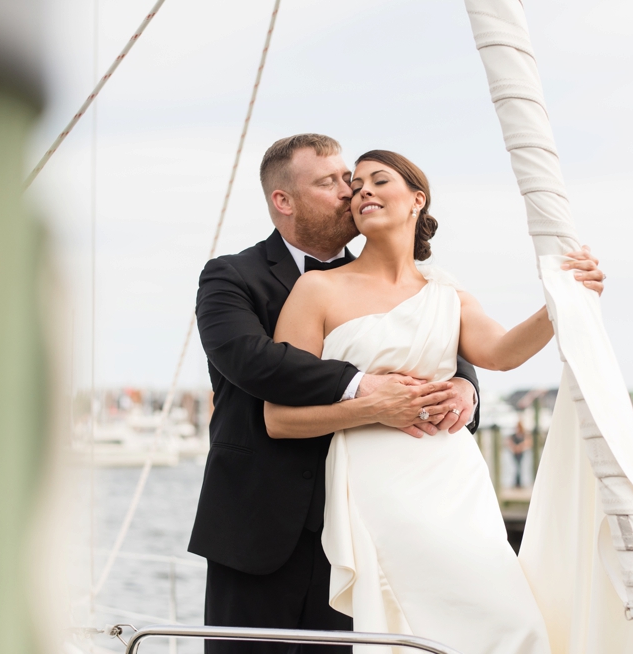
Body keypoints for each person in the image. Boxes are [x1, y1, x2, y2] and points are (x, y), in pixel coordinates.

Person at [264, 150, 605, 654]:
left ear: (416, 200)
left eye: (379, 181)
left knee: (508, 616)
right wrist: (374, 409)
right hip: (378, 481)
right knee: (412, 621)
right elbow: (278, 418)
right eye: (356, 187)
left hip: (454, 477)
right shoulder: (316, 290)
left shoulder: (448, 294)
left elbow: (503, 353)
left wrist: (564, 299)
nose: (363, 193)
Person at [189, 134, 483, 654]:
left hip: (363, 526)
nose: (350, 192)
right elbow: (249, 359)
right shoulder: (232, 276)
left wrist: (464, 382)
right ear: (284, 201)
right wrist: (364, 386)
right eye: (330, 183)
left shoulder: (405, 284)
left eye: (350, 179)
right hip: (259, 527)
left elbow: (428, 341)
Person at [507, 421, 532, 488]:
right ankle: (517, 483)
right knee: (515, 468)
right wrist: (515, 448)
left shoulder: (523, 435)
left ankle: (519, 483)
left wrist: (519, 447)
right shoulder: (514, 435)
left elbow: (528, 443)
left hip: (521, 454)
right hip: (515, 454)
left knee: (520, 468)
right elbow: (509, 443)